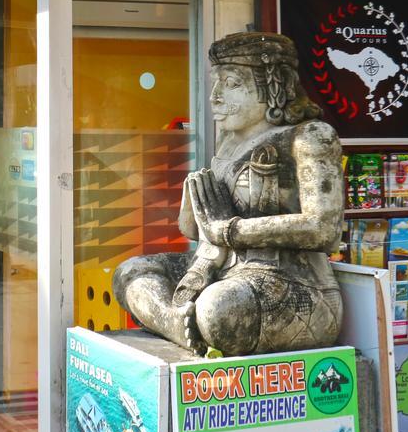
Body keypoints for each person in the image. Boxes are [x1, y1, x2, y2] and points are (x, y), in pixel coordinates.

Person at [114, 33, 344, 356]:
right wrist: (193, 205)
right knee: (130, 272)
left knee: (216, 310)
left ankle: (188, 322)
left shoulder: (310, 137)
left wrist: (230, 229)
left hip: (290, 283)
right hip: (220, 268)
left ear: (273, 86)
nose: (215, 97)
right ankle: (177, 324)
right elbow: (197, 231)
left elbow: (325, 228)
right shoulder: (227, 144)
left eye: (232, 83)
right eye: (215, 83)